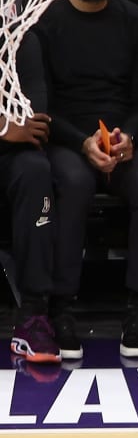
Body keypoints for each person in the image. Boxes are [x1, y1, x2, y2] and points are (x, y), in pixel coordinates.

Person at [38, 0, 138, 361]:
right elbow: (40, 103)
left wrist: (128, 136)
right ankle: (62, 308)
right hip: (67, 137)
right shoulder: (45, 22)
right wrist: (82, 141)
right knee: (72, 183)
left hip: (124, 135)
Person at [0, 36, 58, 365]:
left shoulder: (22, 39)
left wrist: (11, 130)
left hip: (10, 157)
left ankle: (34, 315)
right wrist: (4, 125)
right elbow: (14, 125)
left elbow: (34, 118)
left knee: (36, 170)